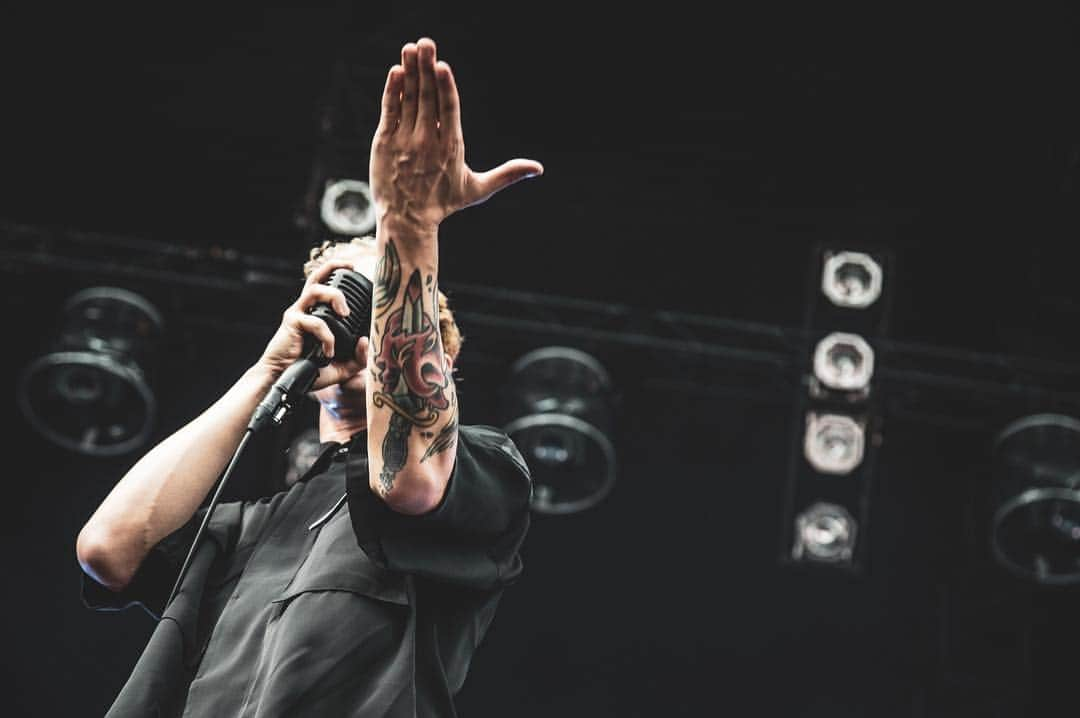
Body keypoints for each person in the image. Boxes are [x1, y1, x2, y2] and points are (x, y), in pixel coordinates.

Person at [76, 36, 543, 717]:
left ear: (437, 355)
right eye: (334, 295)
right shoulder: (246, 524)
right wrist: (268, 368)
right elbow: (108, 549)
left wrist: (409, 232)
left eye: (374, 301)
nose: (350, 312)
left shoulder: (486, 470)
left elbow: (411, 478)